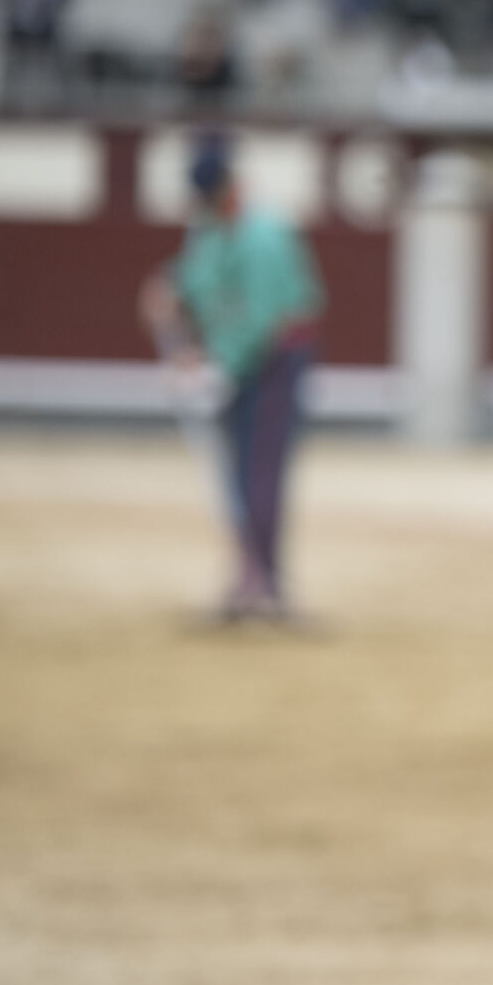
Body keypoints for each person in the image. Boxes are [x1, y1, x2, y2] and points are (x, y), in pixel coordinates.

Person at [140, 135, 324, 622]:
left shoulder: (264, 236)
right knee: (238, 472)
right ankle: (251, 578)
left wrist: (216, 366)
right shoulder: (210, 229)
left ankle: (263, 581)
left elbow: (264, 319)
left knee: (259, 471)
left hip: (277, 362)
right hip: (236, 362)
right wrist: (170, 286)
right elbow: (198, 280)